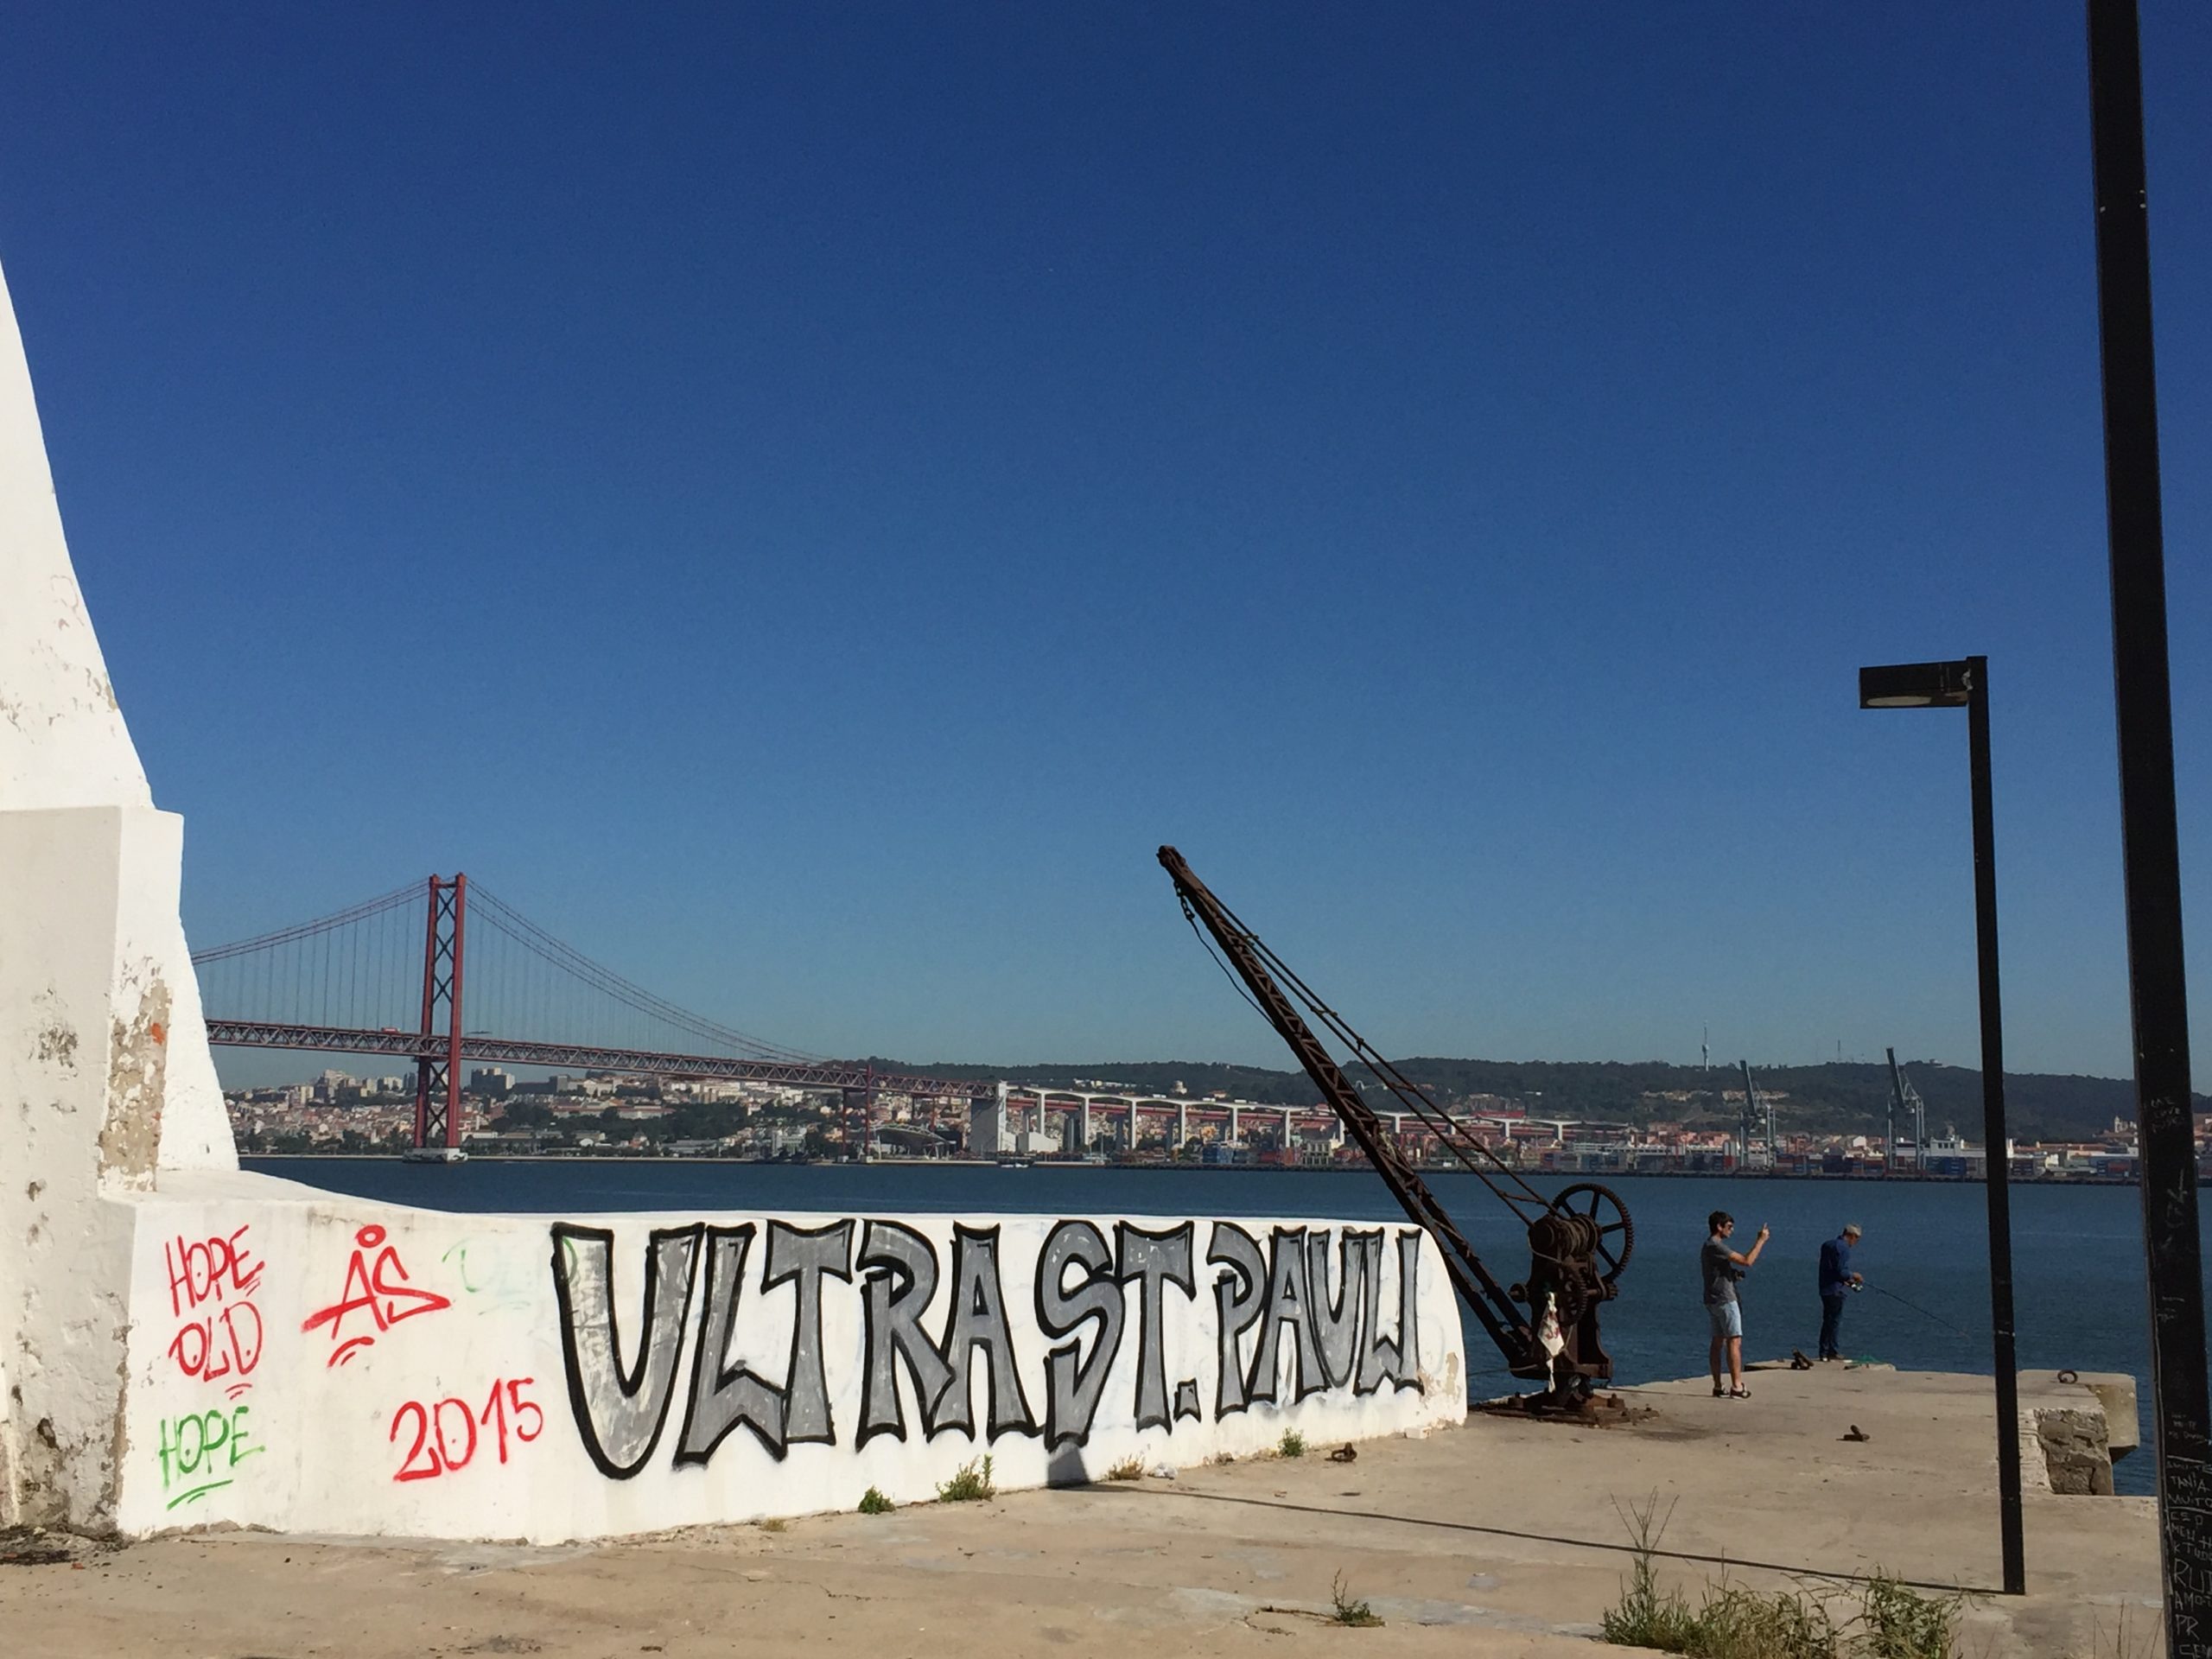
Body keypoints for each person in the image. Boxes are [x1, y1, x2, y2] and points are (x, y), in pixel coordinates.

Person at [1703, 1211, 1768, 1398]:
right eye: (1729, 1227)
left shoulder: (1708, 1246)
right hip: (1725, 1300)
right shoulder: (1716, 1245)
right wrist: (1761, 1240)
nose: (1732, 1230)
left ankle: (1717, 1385)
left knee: (1717, 1341)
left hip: (1712, 1299)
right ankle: (1737, 1386)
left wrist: (1732, 1275)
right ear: (1719, 1227)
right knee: (1734, 1341)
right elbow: (1747, 1261)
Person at [1817, 1223, 1864, 1362]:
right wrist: (1854, 1275)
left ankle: (1823, 1352)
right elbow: (1842, 1272)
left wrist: (1847, 1281)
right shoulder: (1844, 1248)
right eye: (1857, 1238)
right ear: (1852, 1236)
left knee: (1827, 1321)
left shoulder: (1827, 1245)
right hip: (1835, 1291)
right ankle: (1832, 1351)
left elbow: (1831, 1269)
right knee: (1834, 1321)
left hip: (1824, 1287)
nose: (1856, 1242)